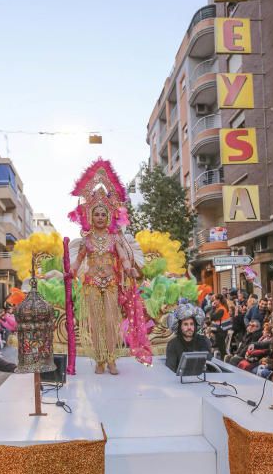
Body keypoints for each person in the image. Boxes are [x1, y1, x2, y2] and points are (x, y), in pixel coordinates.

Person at [69, 158, 150, 374]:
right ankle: (99, 360)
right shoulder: (86, 240)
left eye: (103, 214)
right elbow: (78, 260)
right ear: (90, 216)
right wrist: (71, 272)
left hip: (112, 283)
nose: (100, 217)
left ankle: (112, 358)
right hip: (92, 284)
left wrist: (129, 268)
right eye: (96, 213)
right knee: (96, 323)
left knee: (112, 322)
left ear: (109, 216)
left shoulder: (115, 239)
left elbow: (123, 257)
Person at [165, 303, 212, 373]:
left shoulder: (204, 341)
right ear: (179, 326)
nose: (189, 327)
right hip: (180, 382)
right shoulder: (173, 344)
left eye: (192, 324)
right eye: (185, 324)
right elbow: (170, 371)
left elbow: (210, 366)